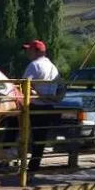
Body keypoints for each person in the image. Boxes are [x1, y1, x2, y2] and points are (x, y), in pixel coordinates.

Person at [21, 40, 61, 172]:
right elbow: (60, 87)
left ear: (37, 51)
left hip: (35, 106)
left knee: (22, 131)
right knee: (40, 139)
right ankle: (33, 168)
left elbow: (24, 85)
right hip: (48, 107)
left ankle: (10, 156)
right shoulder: (53, 67)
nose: (27, 52)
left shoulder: (34, 65)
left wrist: (36, 94)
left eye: (29, 50)